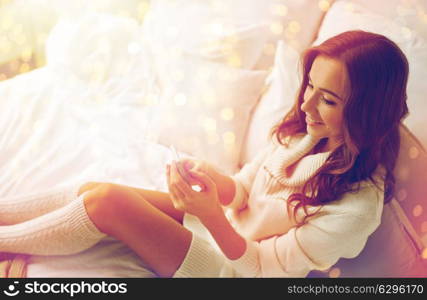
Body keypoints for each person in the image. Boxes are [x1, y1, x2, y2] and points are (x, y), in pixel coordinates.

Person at [0, 30, 410, 277]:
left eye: (329, 101)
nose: (305, 106)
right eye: (309, 87)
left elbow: (263, 270)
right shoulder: (305, 133)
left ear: (366, 111)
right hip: (216, 232)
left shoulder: (355, 208)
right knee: (93, 189)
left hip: (231, 274)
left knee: (108, 203)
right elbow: (244, 190)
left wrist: (211, 212)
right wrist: (212, 181)